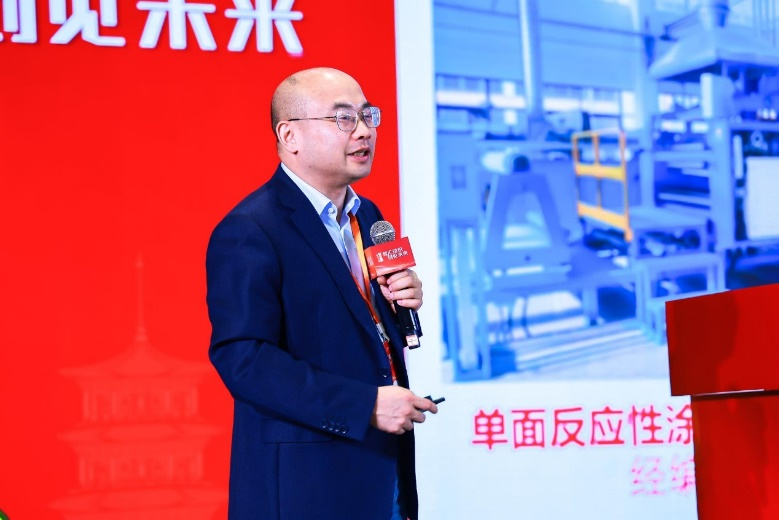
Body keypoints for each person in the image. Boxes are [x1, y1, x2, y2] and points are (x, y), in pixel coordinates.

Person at [206, 67, 438, 520]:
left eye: (367, 116)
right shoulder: (251, 230)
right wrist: (364, 405)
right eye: (343, 118)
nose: (364, 131)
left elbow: (358, 323)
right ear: (289, 135)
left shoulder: (368, 215)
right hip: (308, 485)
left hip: (382, 471)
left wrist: (400, 300)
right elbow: (243, 359)